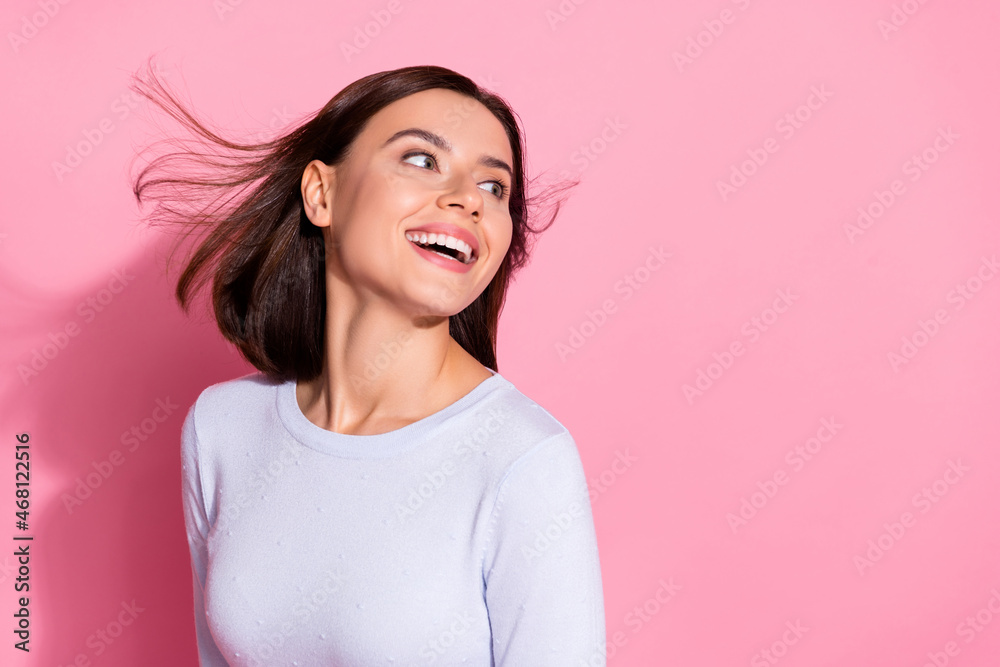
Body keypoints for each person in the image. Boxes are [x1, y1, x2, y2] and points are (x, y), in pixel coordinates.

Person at [130, 62, 606, 666]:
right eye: (422, 159)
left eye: (495, 188)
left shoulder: (522, 458)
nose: (468, 199)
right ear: (321, 193)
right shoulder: (222, 428)